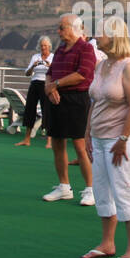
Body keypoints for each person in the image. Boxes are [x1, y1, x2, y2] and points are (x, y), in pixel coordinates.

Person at [79, 16, 130, 258]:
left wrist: (124, 139)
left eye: (100, 33)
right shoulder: (101, 65)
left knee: (125, 190)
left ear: (114, 36)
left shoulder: (129, 67)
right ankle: (107, 243)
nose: (96, 36)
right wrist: (87, 133)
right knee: (101, 190)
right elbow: (95, 101)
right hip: (98, 137)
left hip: (121, 139)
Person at [43, 14, 97, 206]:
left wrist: (55, 85)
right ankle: (64, 187)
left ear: (74, 28)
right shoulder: (59, 50)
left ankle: (91, 189)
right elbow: (49, 74)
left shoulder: (87, 48)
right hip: (57, 100)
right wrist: (50, 90)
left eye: (61, 27)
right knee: (57, 143)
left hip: (77, 100)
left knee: (80, 146)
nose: (58, 31)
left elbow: (82, 75)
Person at [15, 36, 53, 148]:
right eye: (41, 45)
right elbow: (27, 73)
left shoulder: (53, 57)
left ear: (49, 46)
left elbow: (56, 72)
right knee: (30, 110)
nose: (43, 48)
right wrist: (33, 66)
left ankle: (49, 141)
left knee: (47, 111)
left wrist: (49, 66)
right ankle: (27, 139)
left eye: (45, 45)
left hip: (45, 84)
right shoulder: (35, 57)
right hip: (34, 83)